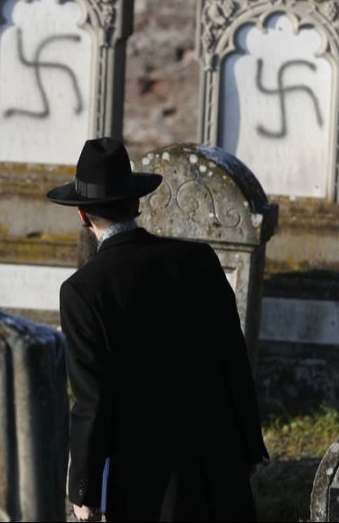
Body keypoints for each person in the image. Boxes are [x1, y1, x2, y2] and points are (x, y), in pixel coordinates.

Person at [47, 138, 268, 522]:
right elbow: (234, 359)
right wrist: (250, 449)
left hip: (147, 483)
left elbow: (93, 400)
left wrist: (82, 487)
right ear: (136, 203)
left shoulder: (82, 291)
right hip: (219, 461)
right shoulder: (198, 260)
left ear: (83, 215)